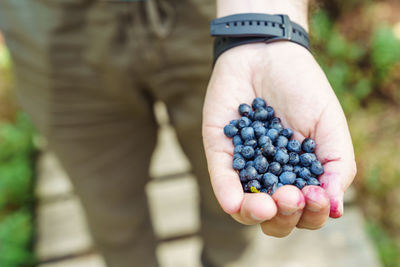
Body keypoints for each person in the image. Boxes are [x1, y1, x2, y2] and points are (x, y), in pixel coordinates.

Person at [0, 0, 356, 266]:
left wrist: (259, 20)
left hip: (214, 14)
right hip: (52, 25)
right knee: (110, 211)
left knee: (234, 204)